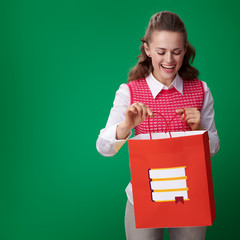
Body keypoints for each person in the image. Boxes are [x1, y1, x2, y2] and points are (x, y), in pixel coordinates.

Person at [96, 11, 219, 240]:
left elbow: (213, 148)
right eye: (161, 52)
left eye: (177, 52)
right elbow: (103, 148)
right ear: (148, 50)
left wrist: (199, 130)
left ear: (185, 50)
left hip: (189, 196)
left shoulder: (201, 90)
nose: (169, 60)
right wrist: (126, 125)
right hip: (143, 197)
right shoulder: (129, 91)